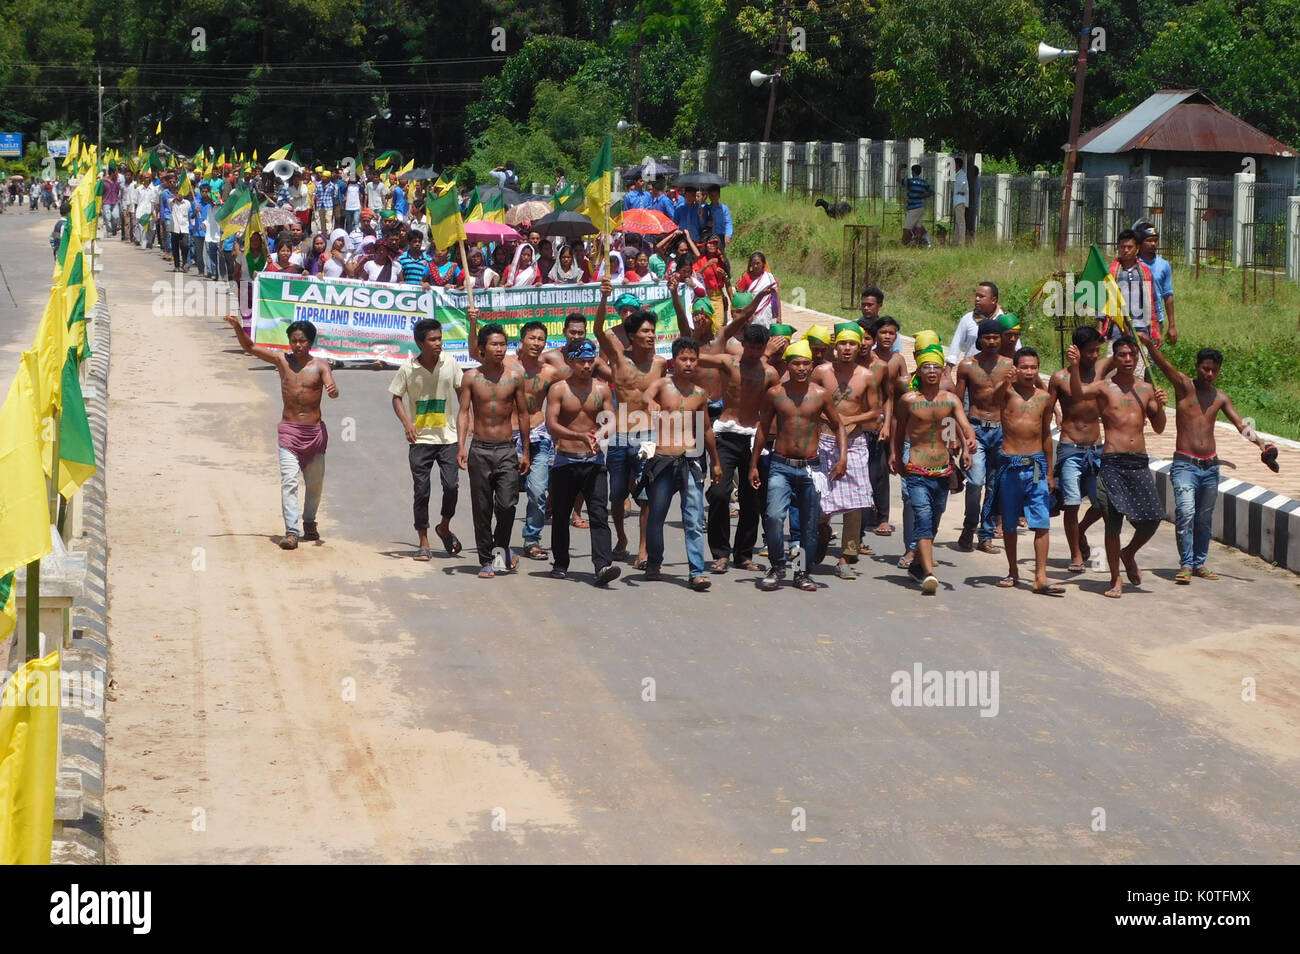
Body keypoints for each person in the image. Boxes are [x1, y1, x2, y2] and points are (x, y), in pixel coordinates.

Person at [1140, 333, 1272, 583]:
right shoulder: (1184, 387)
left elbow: (1240, 423)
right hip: (1185, 464)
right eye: (1204, 368)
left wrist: (1262, 445)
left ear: (1218, 371)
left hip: (1211, 466)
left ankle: (1199, 564)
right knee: (1187, 512)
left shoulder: (1220, 397)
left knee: (1203, 517)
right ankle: (1186, 564)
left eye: (1213, 370)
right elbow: (1165, 365)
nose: (1208, 374)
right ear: (1197, 367)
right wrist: (1148, 346)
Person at [224, 315, 338, 549]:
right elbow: (250, 346)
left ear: (310, 343)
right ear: (289, 341)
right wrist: (238, 328)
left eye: (302, 341)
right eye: (294, 340)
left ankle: (309, 521)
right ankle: (291, 531)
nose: (297, 345)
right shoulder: (280, 361)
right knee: (289, 482)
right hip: (289, 432)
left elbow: (332, 387)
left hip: (315, 434)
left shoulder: (321, 366)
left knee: (315, 484)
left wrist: (333, 390)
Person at [1067, 335, 1168, 598]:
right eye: (1121, 355)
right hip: (1112, 462)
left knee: (1152, 518)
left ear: (1136, 359)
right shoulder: (1104, 387)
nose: (1127, 359)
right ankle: (1115, 579)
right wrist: (1076, 367)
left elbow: (1159, 427)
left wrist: (1161, 406)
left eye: (1131, 355)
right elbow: (1077, 394)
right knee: (1113, 523)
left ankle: (1129, 553)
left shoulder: (1145, 389)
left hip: (1138, 462)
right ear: (1115, 358)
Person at [750, 340, 847, 592]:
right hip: (780, 464)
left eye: (806, 363)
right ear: (788, 365)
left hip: (811, 468)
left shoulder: (820, 394)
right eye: (796, 363)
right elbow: (762, 430)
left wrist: (842, 457)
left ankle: (801, 572)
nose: (801, 368)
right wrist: (753, 465)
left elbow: (838, 426)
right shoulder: (775, 394)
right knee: (772, 516)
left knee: (809, 524)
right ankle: (777, 565)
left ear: (812, 365)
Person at [891, 337, 976, 593]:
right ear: (920, 370)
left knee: (934, 520)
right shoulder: (908, 400)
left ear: (941, 371)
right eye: (926, 366)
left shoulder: (950, 400)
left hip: (942, 471)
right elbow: (898, 431)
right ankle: (929, 572)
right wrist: (896, 456)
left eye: (935, 367)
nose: (931, 371)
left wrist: (969, 442)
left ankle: (918, 562)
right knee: (924, 517)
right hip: (916, 469)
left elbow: (964, 424)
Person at [640, 338, 722, 590]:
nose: (688, 363)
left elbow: (706, 427)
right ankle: (654, 562)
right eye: (683, 359)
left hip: (691, 460)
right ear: (673, 361)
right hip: (663, 460)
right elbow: (646, 395)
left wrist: (716, 462)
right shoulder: (662, 384)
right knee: (657, 516)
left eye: (692, 359)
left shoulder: (699, 394)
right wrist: (650, 403)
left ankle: (696, 572)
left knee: (694, 518)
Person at [595, 282, 667, 566]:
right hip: (620, 434)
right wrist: (603, 298)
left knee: (646, 496)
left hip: (648, 435)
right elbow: (599, 330)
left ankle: (643, 549)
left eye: (653, 331)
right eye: (646, 331)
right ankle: (622, 537)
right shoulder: (618, 359)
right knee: (617, 495)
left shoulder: (660, 363)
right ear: (633, 335)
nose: (651, 335)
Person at [544, 339, 622, 585]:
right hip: (565, 460)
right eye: (581, 361)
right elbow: (551, 424)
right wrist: (578, 435)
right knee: (561, 515)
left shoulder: (601, 389)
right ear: (570, 362)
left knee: (598, 514)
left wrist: (600, 435)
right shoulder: (559, 389)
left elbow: (611, 420)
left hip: (594, 461)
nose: (587, 366)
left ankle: (602, 565)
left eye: (590, 361)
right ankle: (560, 563)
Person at [457, 323, 530, 578]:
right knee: (482, 508)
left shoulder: (514, 377)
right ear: (482, 349)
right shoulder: (471, 377)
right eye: (494, 345)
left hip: (506, 449)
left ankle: (501, 550)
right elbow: (464, 412)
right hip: (480, 449)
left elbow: (523, 413)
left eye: (503, 344)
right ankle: (488, 559)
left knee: (508, 506)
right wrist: (461, 446)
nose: (500, 349)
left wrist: (526, 452)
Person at [389, 318, 465, 561]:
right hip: (421, 440)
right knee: (421, 491)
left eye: (440, 338)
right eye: (432, 339)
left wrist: (467, 420)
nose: (438, 343)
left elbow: (463, 392)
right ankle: (423, 540)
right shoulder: (408, 369)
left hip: (448, 437)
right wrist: (407, 424)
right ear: (419, 342)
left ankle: (444, 526)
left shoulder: (451, 363)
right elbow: (396, 397)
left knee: (451, 486)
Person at [990, 347, 1063, 594]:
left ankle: (1040, 576)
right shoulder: (1006, 393)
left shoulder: (1044, 398)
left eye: (1034, 367)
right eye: (1024, 367)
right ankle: (1013, 571)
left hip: (1035, 466)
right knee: (1009, 523)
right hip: (1010, 465)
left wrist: (1050, 472)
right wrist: (1005, 381)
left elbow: (1045, 435)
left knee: (1041, 521)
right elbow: (991, 400)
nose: (1029, 372)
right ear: (1016, 368)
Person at [812, 324, 877, 579]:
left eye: (852, 344)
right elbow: (809, 400)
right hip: (824, 439)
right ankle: (820, 530)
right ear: (835, 346)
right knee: (821, 496)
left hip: (855, 442)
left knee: (855, 503)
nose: (847, 348)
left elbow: (874, 411)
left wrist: (851, 419)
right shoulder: (822, 372)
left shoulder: (867, 376)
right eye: (842, 344)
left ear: (859, 346)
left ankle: (845, 557)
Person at [1047, 325, 1109, 571]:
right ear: (1077, 350)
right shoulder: (1059, 378)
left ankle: (1081, 530)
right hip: (1070, 446)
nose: (1094, 355)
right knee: (1071, 503)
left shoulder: (1101, 370)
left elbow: (1126, 353)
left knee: (1103, 503)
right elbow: (1046, 410)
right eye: (1090, 351)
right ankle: (1075, 555)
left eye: (1097, 350)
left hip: (1096, 449)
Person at [953, 317, 1010, 553]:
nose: (992, 341)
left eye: (996, 337)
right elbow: (956, 403)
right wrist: (957, 436)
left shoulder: (1010, 366)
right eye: (987, 337)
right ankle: (969, 526)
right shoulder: (967, 366)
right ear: (979, 339)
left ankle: (985, 535)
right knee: (976, 481)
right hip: (975, 428)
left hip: (1001, 430)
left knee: (995, 484)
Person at [1103, 230, 1163, 378]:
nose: (1126, 250)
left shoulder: (1145, 273)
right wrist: (1101, 327)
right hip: (1116, 328)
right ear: (1118, 248)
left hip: (1140, 328)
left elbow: (1153, 301)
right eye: (1122, 247)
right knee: (1113, 368)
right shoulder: (1111, 271)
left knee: (1137, 369)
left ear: (1137, 248)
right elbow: (1103, 300)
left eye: (1129, 247)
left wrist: (1156, 331)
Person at [945, 281, 1003, 378]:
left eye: (981, 296)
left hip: (996, 375)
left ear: (993, 300)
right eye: (976, 296)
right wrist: (947, 373)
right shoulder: (968, 319)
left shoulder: (1003, 321)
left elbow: (1016, 349)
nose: (977, 299)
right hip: (971, 373)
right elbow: (955, 346)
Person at [1134, 221, 1178, 345]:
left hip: (1155, 320)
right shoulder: (1132, 264)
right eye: (1149, 240)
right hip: (1134, 319)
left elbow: (1168, 295)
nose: (1153, 244)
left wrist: (1172, 325)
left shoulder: (1164, 265)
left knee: (1152, 357)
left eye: (1155, 240)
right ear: (1140, 243)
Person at [735, 252, 779, 327]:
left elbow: (776, 296)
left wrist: (779, 317)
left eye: (758, 263)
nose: (755, 266)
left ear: (763, 264)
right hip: (750, 314)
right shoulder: (746, 278)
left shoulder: (769, 277)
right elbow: (739, 297)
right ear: (750, 264)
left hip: (766, 313)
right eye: (753, 263)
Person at [902, 163, 934, 247]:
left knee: (907, 228)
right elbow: (932, 192)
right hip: (921, 207)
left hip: (913, 208)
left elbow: (898, 180)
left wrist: (899, 169)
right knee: (918, 227)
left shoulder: (910, 181)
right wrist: (923, 196)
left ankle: (904, 244)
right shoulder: (923, 182)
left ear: (913, 172)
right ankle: (919, 244)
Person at [704, 184, 733, 252]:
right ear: (709, 196)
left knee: (720, 255)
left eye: (715, 195)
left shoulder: (724, 208)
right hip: (710, 236)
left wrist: (728, 235)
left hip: (721, 236)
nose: (713, 197)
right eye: (711, 195)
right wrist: (706, 223)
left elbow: (728, 223)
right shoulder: (706, 208)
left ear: (719, 196)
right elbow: (702, 222)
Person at [952, 157, 969, 246]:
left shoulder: (961, 174)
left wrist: (960, 191)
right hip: (957, 201)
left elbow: (963, 184)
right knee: (958, 223)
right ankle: (956, 242)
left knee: (961, 223)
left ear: (957, 165)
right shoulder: (958, 174)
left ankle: (961, 243)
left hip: (960, 200)